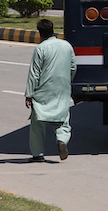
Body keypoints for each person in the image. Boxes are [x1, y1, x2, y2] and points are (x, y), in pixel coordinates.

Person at [25, 18, 77, 163]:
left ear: (40, 33)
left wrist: (29, 95)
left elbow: (34, 74)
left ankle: (38, 154)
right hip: (62, 88)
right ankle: (62, 140)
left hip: (43, 90)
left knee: (37, 123)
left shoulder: (41, 48)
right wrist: (67, 81)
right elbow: (73, 67)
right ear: (53, 30)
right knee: (62, 121)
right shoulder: (67, 45)